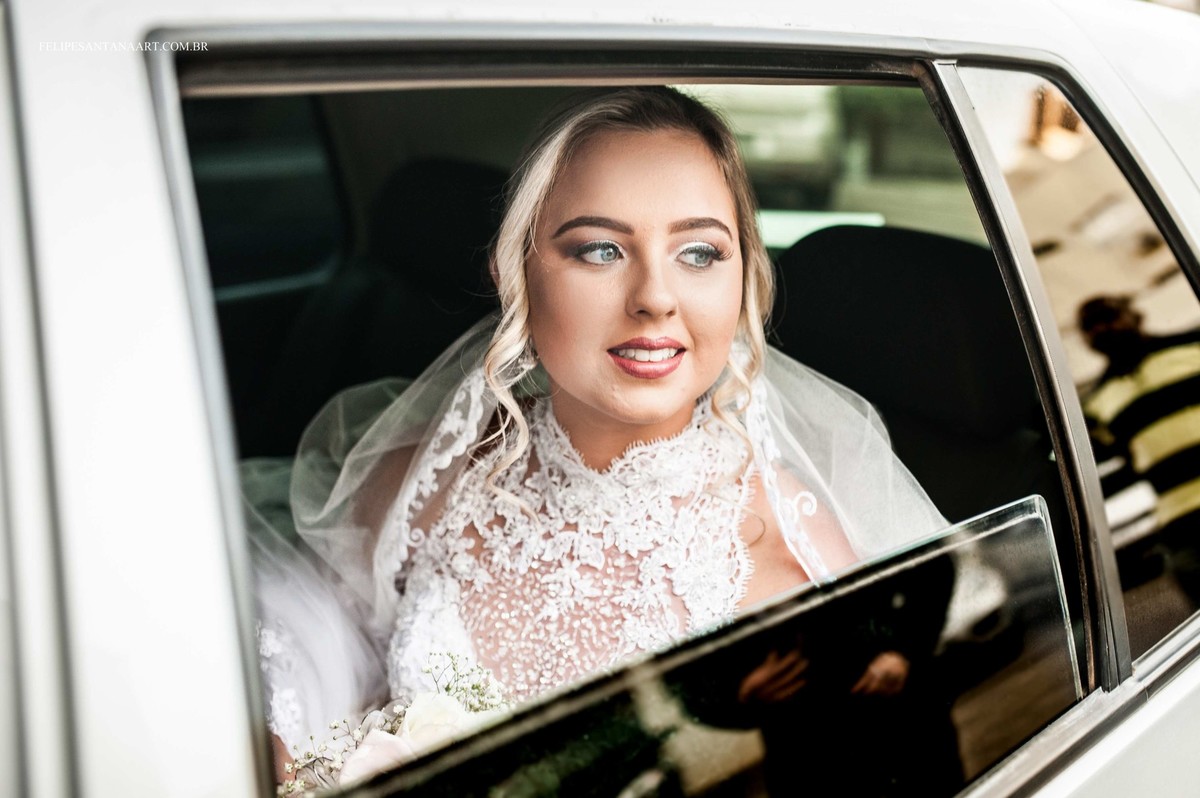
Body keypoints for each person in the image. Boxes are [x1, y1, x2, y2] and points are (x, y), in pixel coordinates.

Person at [247, 86, 947, 788]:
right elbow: (320, 640)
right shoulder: (431, 479)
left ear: (743, 280)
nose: (655, 296)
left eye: (700, 252)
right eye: (602, 249)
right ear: (513, 270)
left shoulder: (803, 570)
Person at [1079, 294, 1200, 599]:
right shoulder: (1097, 404)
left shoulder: (1191, 347)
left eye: (1109, 317)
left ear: (1135, 314)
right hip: (1181, 522)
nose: (1102, 329)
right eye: (1090, 327)